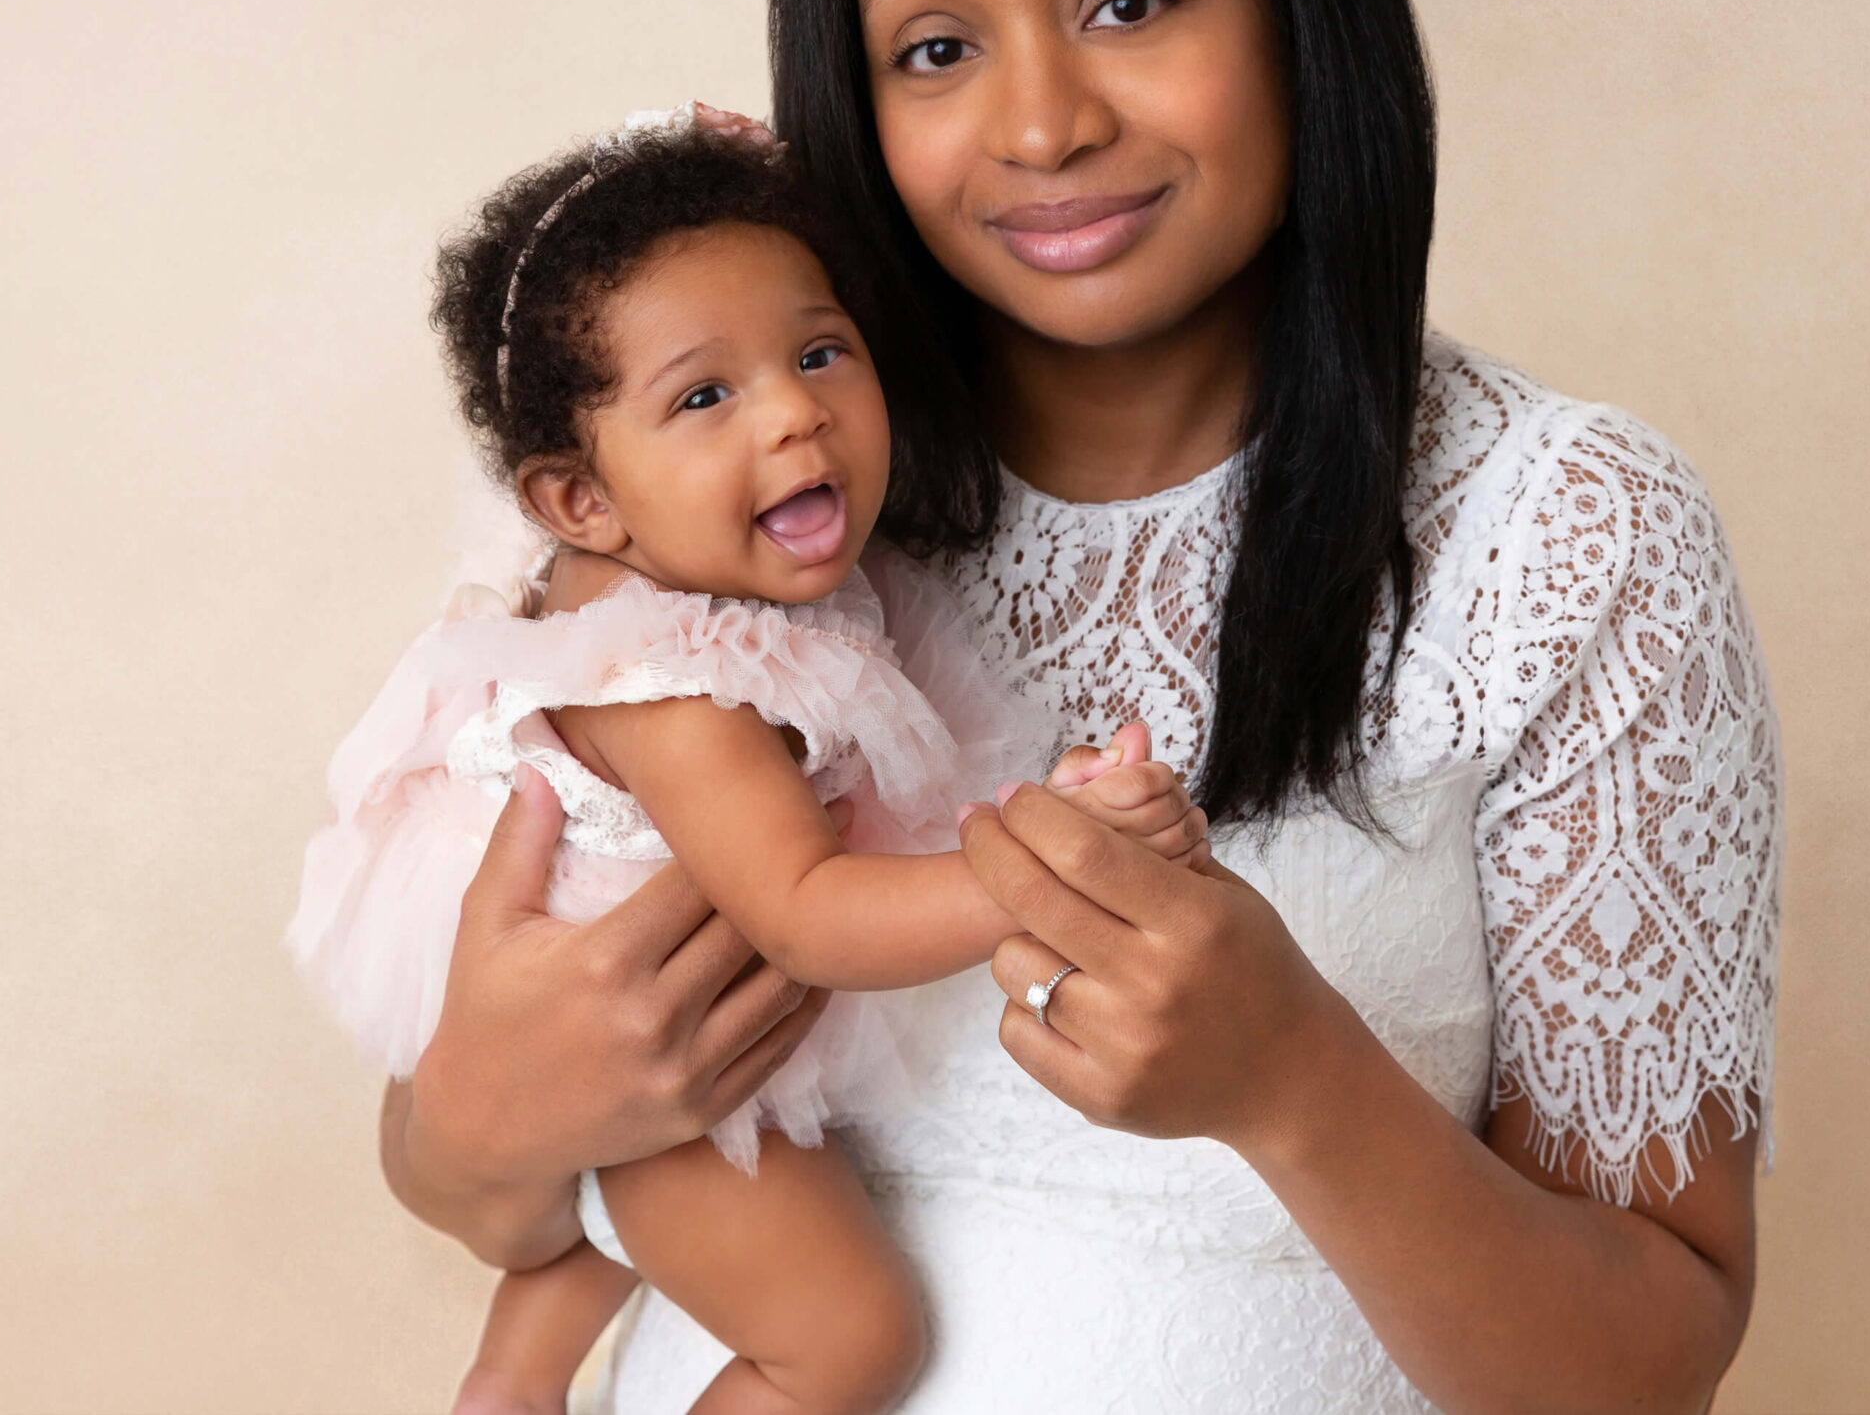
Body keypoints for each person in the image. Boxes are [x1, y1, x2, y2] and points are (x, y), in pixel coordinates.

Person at [382, 0, 1782, 1413]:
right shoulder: (763, 519)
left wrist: (1296, 1084)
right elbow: (496, 1162)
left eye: (1128, 4)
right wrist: (467, 1123)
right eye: (939, 46)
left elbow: (1645, 1369)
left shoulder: (1568, 532)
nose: (1043, 124)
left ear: (1300, 14)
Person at [289, 112, 1208, 1414]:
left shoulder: (645, 585)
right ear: (579, 500)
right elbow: (812, 915)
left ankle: (513, 1377)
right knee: (853, 1338)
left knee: (630, 1250)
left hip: (642, 1053)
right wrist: (1042, 865)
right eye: (705, 396)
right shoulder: (683, 687)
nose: (795, 413)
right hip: (652, 1061)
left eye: (821, 350)